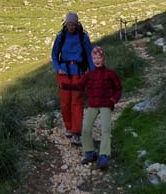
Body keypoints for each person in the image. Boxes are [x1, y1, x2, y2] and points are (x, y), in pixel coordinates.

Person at [51, 12, 95, 145]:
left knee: (77, 102)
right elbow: (54, 54)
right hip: (63, 74)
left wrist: (93, 73)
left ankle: (76, 132)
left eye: (73, 24)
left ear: (77, 24)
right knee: (65, 103)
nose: (71, 27)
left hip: (79, 74)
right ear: (66, 24)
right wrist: (57, 67)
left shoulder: (83, 37)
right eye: (69, 24)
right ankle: (68, 127)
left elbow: (89, 55)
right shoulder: (61, 37)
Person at [79, 46, 122, 169]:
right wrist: (64, 85)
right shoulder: (89, 75)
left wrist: (113, 100)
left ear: (103, 58)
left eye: (99, 57)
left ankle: (104, 155)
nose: (96, 60)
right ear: (91, 59)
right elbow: (79, 86)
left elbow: (118, 89)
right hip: (92, 105)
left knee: (106, 130)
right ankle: (90, 153)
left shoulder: (110, 74)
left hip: (105, 105)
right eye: (94, 58)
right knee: (85, 129)